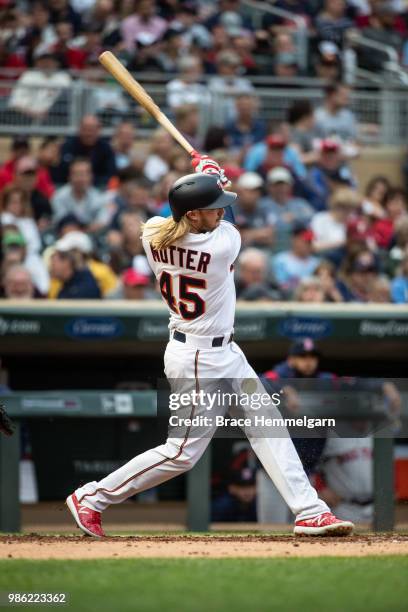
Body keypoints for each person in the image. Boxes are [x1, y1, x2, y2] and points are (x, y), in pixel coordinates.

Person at [66, 154, 354, 538]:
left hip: (223, 353)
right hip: (199, 359)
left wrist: (207, 178)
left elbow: (171, 214)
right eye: (212, 210)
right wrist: (211, 172)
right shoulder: (220, 247)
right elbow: (224, 222)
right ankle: (92, 496)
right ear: (192, 216)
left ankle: (309, 511)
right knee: (181, 453)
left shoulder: (153, 234)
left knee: (267, 424)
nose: (220, 214)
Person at [8, 50, 71, 121]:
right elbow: (15, 102)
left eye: (50, 62)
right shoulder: (28, 76)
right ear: (37, 63)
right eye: (44, 62)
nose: (47, 64)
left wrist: (48, 113)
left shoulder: (63, 77)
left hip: (54, 118)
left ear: (57, 64)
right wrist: (32, 113)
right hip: (25, 116)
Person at [56, 115, 116, 187]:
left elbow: (111, 174)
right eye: (85, 129)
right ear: (80, 129)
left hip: (99, 188)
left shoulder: (106, 148)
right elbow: (62, 172)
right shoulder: (68, 146)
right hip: (70, 187)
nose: (88, 133)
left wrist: (89, 181)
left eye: (92, 130)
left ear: (99, 130)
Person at [52, 159, 109, 230]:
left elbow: (102, 221)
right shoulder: (59, 196)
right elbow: (62, 222)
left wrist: (85, 229)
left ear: (91, 176)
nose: (81, 178)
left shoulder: (98, 197)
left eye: (84, 174)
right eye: (77, 174)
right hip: (67, 236)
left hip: (93, 235)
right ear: (69, 177)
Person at [272, 227, 321, 295]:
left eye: (310, 242)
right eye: (306, 241)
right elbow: (281, 285)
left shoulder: (317, 263)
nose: (308, 245)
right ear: (294, 240)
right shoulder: (281, 260)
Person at [233, 172, 275, 249]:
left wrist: (246, 234)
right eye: (250, 190)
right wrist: (259, 234)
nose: (255, 194)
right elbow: (234, 239)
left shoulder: (264, 208)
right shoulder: (231, 211)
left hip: (263, 253)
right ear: (239, 191)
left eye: (257, 191)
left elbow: (270, 238)